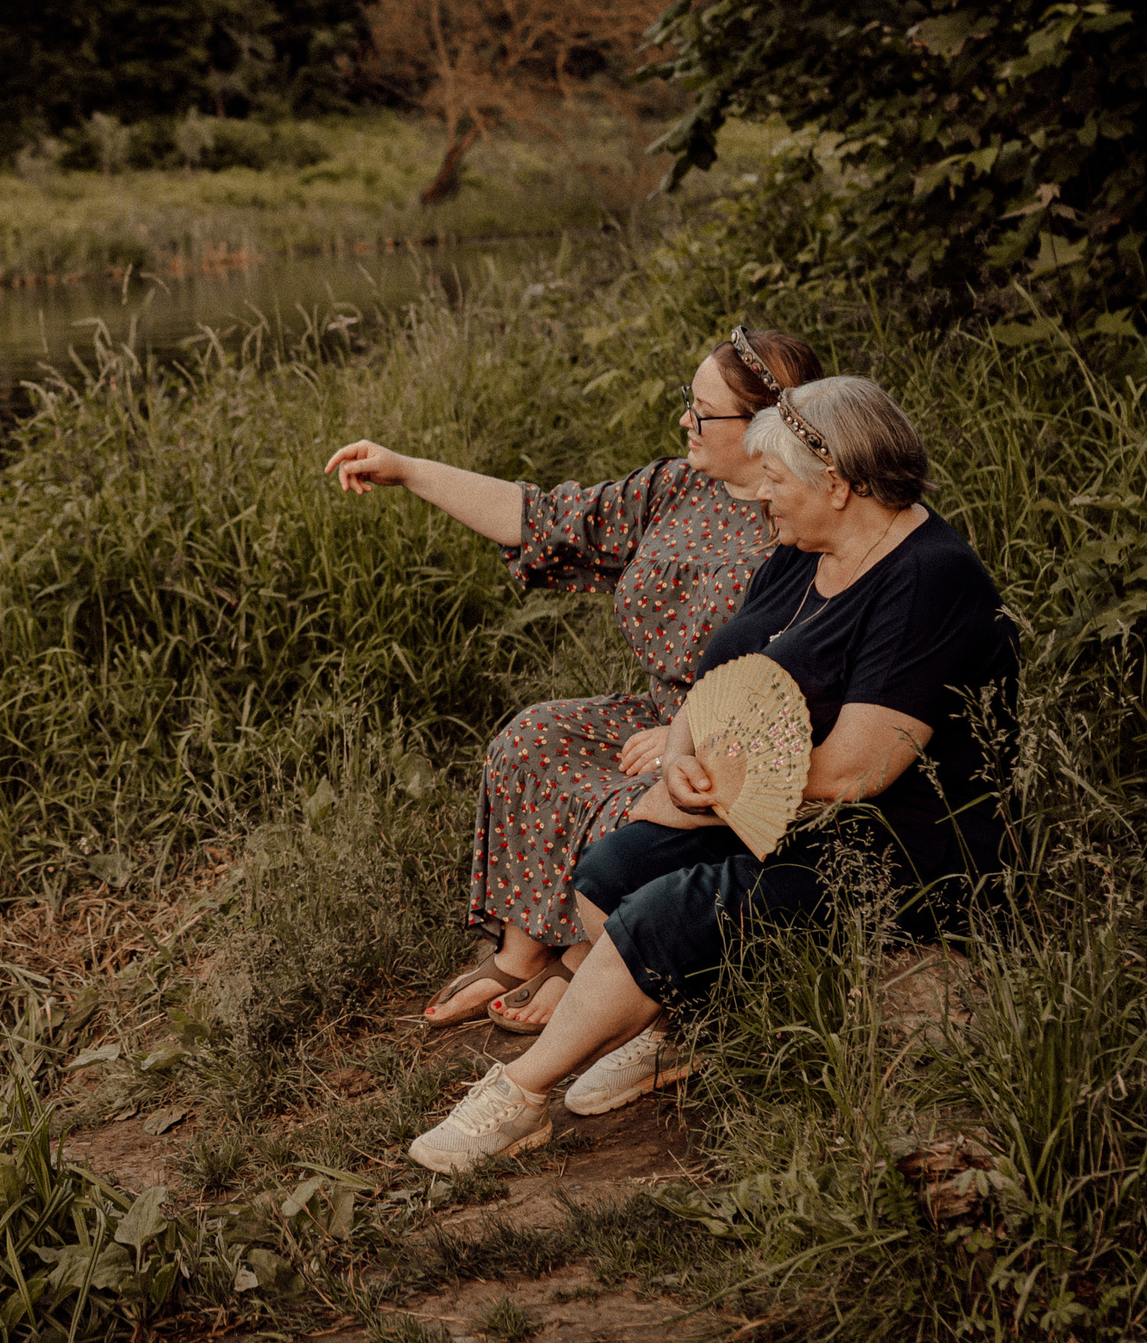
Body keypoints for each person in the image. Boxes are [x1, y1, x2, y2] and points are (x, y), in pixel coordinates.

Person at [406, 375, 1019, 1174]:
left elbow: (856, 770)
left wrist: (711, 793)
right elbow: (721, 674)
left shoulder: (930, 577)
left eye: (777, 478)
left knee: (667, 909)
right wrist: (681, 759)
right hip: (784, 811)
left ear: (837, 483)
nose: (759, 493)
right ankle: (670, 1024)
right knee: (609, 871)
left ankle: (520, 1095)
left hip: (896, 849)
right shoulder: (804, 551)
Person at [321, 327, 823, 1035]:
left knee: (638, 807)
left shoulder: (803, 520)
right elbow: (544, 520)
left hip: (726, 740)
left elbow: (803, 674)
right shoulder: (676, 487)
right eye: (688, 400)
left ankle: (589, 959)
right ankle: (522, 950)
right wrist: (407, 469)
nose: (685, 419)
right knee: (530, 740)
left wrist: (690, 734)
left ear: (761, 427)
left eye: (702, 411)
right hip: (654, 711)